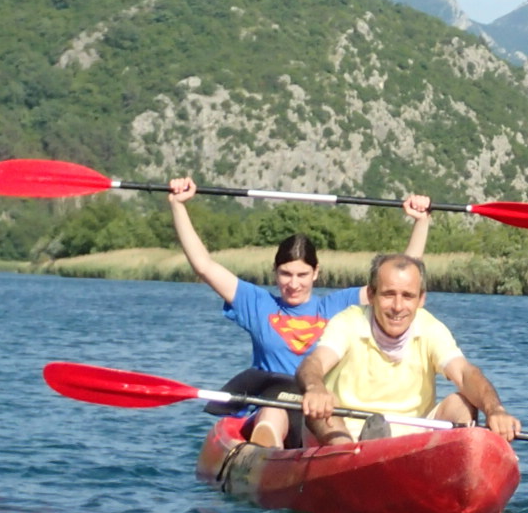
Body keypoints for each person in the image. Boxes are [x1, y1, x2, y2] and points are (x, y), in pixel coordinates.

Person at [167, 176, 431, 447]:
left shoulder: (339, 306)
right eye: (286, 274)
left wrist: (421, 222)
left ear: (315, 273)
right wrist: (178, 205)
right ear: (275, 272)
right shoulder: (256, 302)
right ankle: (266, 452)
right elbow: (204, 266)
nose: (293, 284)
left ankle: (350, 450)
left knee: (325, 410)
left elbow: (398, 277)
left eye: (302, 274)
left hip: (320, 411)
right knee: (273, 411)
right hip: (271, 406)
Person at [298, 252, 520, 445]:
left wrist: (495, 410)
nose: (397, 307)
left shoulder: (430, 328)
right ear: (372, 295)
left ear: (421, 299)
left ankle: (453, 461)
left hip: (412, 440)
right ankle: (349, 458)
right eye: (388, 294)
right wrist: (315, 388)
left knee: (462, 402)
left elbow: (464, 373)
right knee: (321, 400)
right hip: (347, 433)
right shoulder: (349, 322)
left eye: (407, 296)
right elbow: (314, 363)